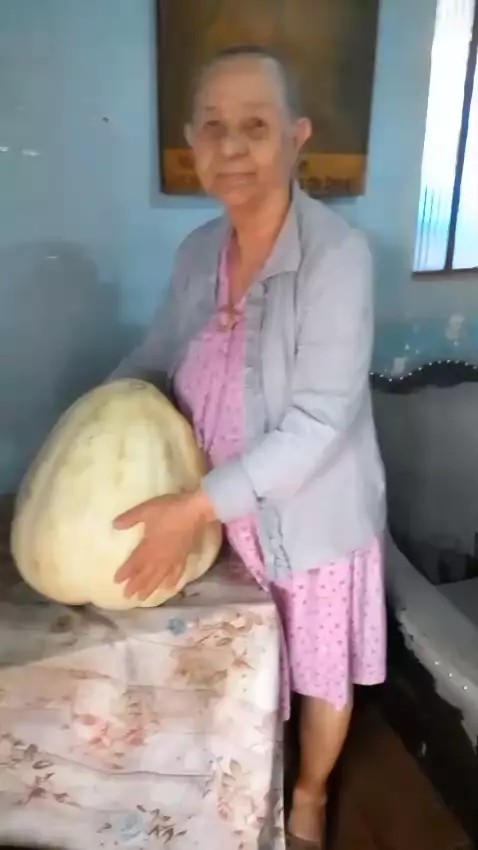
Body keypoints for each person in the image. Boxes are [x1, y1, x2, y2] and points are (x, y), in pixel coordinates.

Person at [110, 45, 386, 849]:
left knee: (319, 669)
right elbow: (156, 354)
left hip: (312, 520)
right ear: (191, 142)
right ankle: (244, 775)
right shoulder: (198, 251)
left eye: (256, 127)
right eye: (212, 127)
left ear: (297, 137)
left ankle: (308, 793)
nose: (231, 147)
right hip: (219, 516)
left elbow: (318, 422)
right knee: (243, 667)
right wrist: (95, 412)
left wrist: (192, 507)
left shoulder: (338, 256)